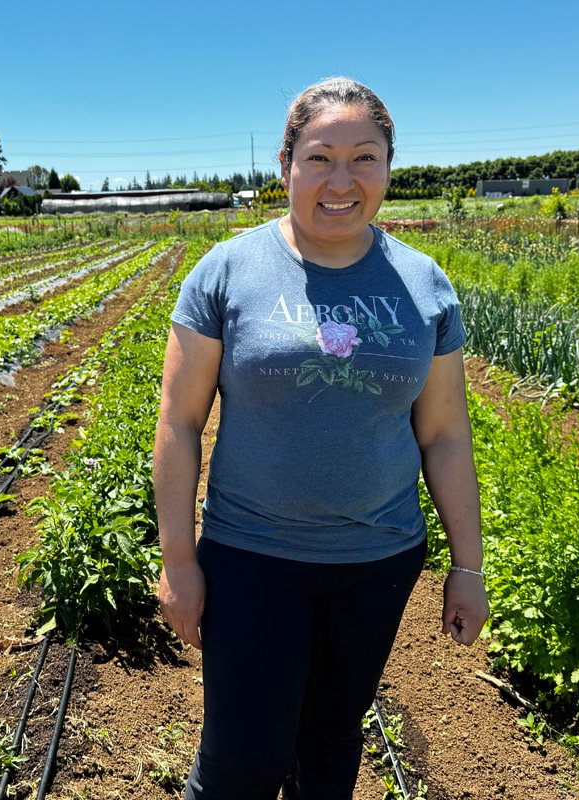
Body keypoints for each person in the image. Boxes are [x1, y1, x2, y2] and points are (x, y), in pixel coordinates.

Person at [153, 77, 490, 800]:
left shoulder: (424, 284)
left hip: (378, 561)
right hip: (252, 558)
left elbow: (445, 436)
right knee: (242, 761)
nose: (342, 181)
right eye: (320, 158)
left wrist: (469, 567)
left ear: (389, 167)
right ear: (287, 165)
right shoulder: (227, 273)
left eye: (364, 158)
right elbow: (179, 425)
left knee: (332, 744)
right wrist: (178, 560)